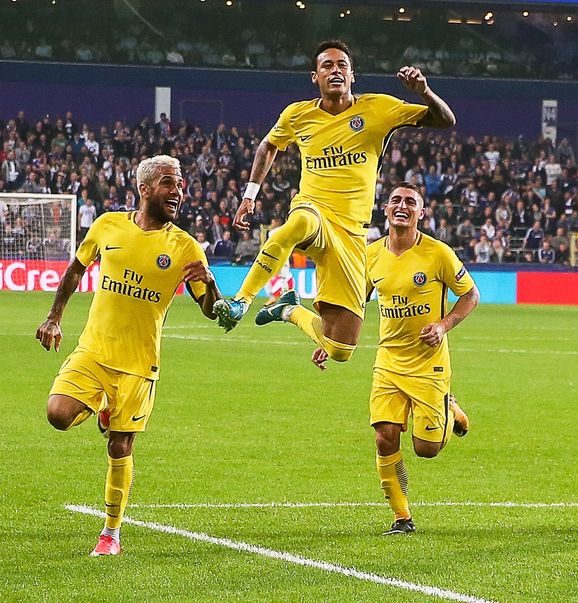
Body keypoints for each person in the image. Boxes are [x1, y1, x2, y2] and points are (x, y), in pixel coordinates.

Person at [215, 40, 455, 369]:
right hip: (313, 210)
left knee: (342, 348)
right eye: (327, 66)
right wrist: (249, 197)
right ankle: (241, 301)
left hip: (352, 234)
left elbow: (445, 120)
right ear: (315, 77)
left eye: (342, 65)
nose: (335, 70)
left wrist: (424, 90)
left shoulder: (378, 109)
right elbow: (267, 147)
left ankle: (287, 308)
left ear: (352, 75)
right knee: (298, 223)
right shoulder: (297, 114)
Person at [35, 155, 222, 556]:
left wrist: (212, 283)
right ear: (145, 189)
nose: (179, 192)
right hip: (94, 350)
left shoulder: (185, 246)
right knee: (57, 414)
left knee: (120, 447)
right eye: (170, 184)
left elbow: (211, 310)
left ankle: (111, 532)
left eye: (182, 184)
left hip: (139, 365)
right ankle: (99, 404)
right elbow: (75, 270)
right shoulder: (108, 225)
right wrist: (53, 317)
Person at [312, 184, 479, 535]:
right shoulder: (369, 256)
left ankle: (450, 409)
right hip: (388, 360)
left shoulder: (438, 254)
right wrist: (330, 343)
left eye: (411, 202)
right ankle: (402, 518)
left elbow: (471, 295)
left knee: (427, 449)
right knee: (384, 438)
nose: (402, 206)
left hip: (428, 362)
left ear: (422, 213)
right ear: (385, 210)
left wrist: (444, 324)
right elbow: (355, 307)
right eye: (396, 201)